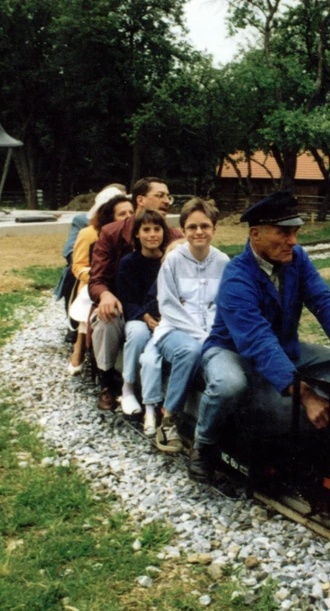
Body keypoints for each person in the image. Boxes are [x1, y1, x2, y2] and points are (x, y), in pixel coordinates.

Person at [189, 190, 330, 481]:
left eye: (296, 232)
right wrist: (306, 396)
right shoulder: (237, 277)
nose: (294, 241)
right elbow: (257, 341)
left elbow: (322, 299)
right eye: (284, 233)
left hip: (283, 348)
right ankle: (203, 446)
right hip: (231, 350)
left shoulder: (297, 258)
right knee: (229, 385)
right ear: (256, 234)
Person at [141, 197, 229, 450]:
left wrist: (213, 334)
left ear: (214, 229)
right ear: (183, 230)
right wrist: (202, 336)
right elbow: (168, 306)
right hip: (174, 330)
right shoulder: (173, 261)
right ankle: (169, 419)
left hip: (211, 331)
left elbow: (223, 304)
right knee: (190, 350)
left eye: (204, 226)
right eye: (191, 227)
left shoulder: (223, 262)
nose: (199, 232)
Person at [88, 177, 183, 410]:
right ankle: (107, 381)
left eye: (168, 196)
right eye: (160, 195)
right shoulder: (111, 233)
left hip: (159, 307)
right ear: (140, 200)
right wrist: (105, 295)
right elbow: (97, 278)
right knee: (106, 318)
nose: (167, 201)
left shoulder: (173, 236)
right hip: (120, 302)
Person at [67, 192, 134, 374]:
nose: (128, 218)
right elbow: (78, 265)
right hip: (93, 281)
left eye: (131, 213)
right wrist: (98, 277)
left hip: (121, 284)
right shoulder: (89, 234)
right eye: (122, 214)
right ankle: (79, 347)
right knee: (89, 300)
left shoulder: (135, 235)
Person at [115, 209, 171, 416]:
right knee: (138, 334)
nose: (152, 234)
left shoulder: (169, 259)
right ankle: (128, 387)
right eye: (146, 230)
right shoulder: (128, 263)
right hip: (138, 315)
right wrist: (145, 316)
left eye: (157, 229)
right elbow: (126, 299)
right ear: (137, 234)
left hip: (166, 316)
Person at [53, 184, 126, 342]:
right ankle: (78, 335)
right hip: (91, 276)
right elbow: (73, 256)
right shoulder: (86, 229)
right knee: (82, 288)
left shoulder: (132, 231)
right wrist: (96, 276)